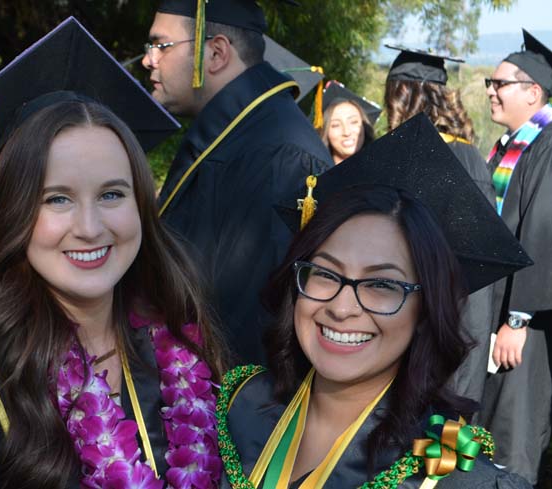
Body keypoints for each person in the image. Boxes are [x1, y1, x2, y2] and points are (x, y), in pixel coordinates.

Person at [0, 18, 224, 489]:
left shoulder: (180, 353)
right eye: (56, 198)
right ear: (11, 214)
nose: (91, 228)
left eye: (113, 194)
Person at [218, 115, 533, 488]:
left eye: (381, 284)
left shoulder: (447, 476)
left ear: (426, 310)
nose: (342, 307)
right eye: (325, 273)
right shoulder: (239, 408)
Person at [143, 0, 333, 363]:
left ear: (215, 53)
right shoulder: (239, 133)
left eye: (161, 45)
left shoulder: (278, 156)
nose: (149, 59)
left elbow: (246, 329)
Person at [383, 47, 496, 408]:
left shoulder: (455, 158)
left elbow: (473, 269)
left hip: (424, 329)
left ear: (400, 94)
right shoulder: (466, 158)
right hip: (429, 326)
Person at [478, 29, 552, 485]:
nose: (489, 90)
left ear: (533, 91)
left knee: (513, 433)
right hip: (499, 314)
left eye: (498, 83)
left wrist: (518, 319)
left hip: (525, 324)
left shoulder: (546, 145)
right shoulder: (509, 147)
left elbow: (543, 232)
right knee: (491, 429)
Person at [318, 80, 379, 164]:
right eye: (335, 125)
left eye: (353, 122)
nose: (346, 132)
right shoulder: (314, 175)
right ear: (325, 132)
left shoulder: (382, 168)